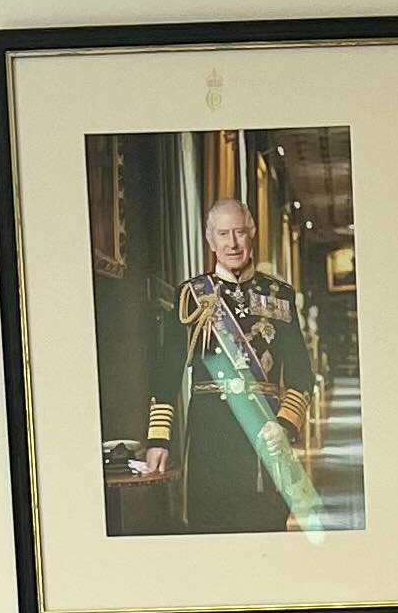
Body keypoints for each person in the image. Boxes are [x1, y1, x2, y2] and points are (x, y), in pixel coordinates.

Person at [133, 195, 324, 540]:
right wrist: (158, 439)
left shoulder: (279, 295)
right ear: (210, 240)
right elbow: (166, 373)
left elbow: (300, 374)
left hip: (265, 434)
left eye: (239, 232)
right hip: (210, 434)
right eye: (224, 234)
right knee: (212, 528)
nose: (232, 243)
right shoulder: (190, 296)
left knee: (265, 528)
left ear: (252, 234)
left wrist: (285, 425)